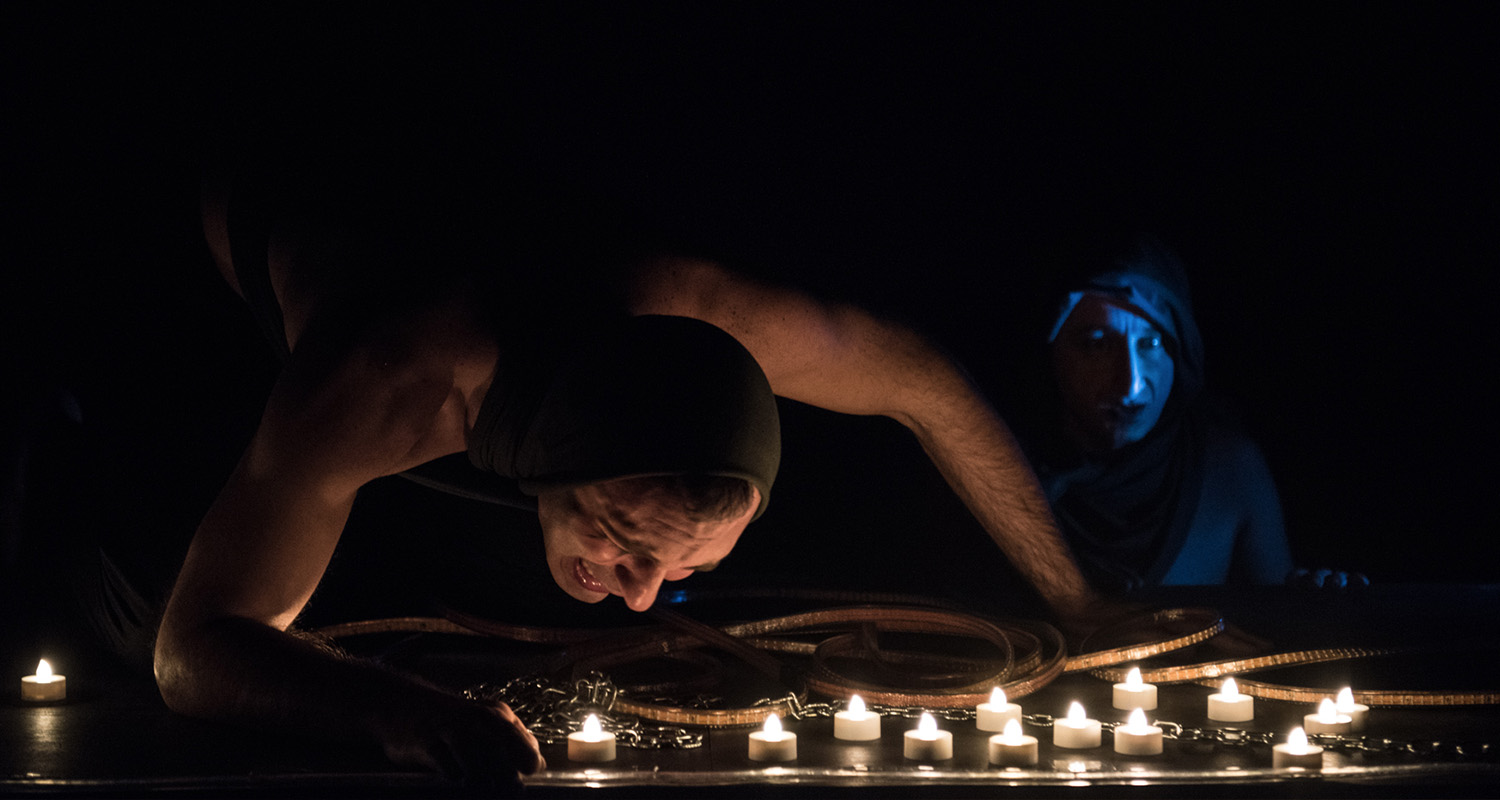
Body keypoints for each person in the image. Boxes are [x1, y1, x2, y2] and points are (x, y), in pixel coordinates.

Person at [146, 140, 1104, 788]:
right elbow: (191, 653)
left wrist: (1080, 602)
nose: (643, 598)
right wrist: (411, 716)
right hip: (244, 213)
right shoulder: (388, 377)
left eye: (686, 566)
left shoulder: (717, 309)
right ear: (552, 454)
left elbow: (927, 382)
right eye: (624, 540)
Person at [1017, 234, 1362, 592]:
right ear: (1051, 351)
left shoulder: (1228, 471)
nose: (1131, 385)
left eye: (1151, 343)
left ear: (1181, 350)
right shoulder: (1005, 468)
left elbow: (1276, 615)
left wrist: (1314, 600)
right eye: (1097, 345)